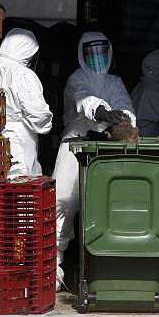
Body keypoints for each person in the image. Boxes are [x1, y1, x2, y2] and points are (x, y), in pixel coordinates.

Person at [52, 31, 136, 291]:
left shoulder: (115, 81)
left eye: (102, 53)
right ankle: (54, 268)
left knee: (104, 205)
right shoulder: (76, 78)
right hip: (74, 144)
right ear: (81, 54)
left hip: (106, 147)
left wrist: (121, 117)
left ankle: (104, 270)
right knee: (63, 200)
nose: (98, 58)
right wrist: (100, 111)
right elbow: (83, 98)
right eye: (91, 53)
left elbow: (126, 107)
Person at [0, 28, 53, 179]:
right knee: (20, 189)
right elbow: (38, 113)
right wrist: (45, 125)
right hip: (17, 142)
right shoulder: (23, 74)